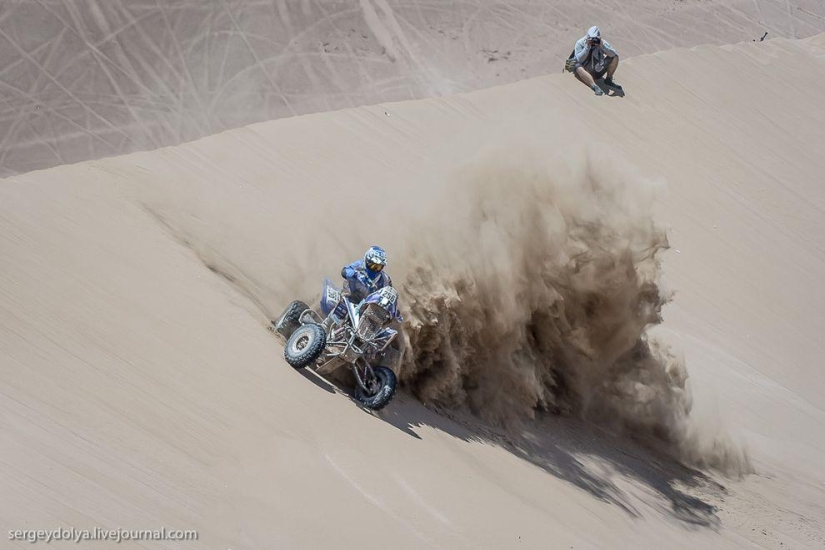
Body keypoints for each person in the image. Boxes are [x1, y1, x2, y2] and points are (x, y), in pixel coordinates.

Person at [569, 26, 621, 96]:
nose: (593, 41)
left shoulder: (601, 43)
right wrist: (587, 47)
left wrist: (602, 46)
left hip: (597, 69)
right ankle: (594, 86)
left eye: (595, 39)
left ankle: (608, 79)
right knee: (577, 66)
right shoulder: (580, 43)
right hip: (585, 70)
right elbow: (579, 60)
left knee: (615, 57)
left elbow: (612, 54)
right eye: (591, 39)